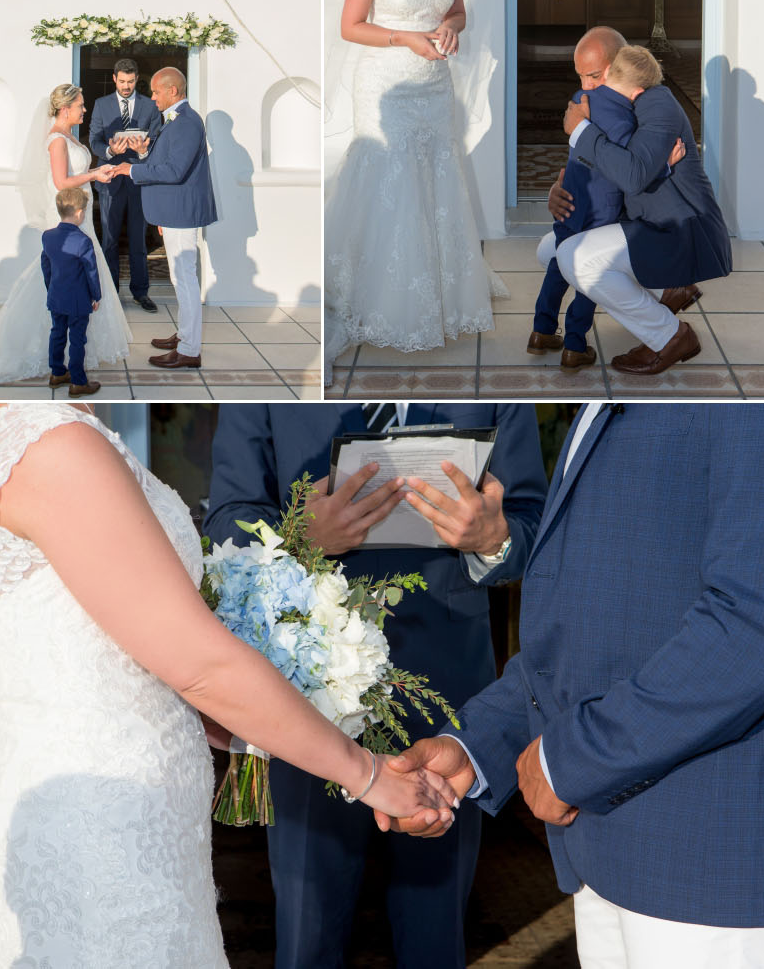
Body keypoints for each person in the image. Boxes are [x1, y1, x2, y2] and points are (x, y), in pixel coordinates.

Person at [0, 401, 459, 968]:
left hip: (112, 823)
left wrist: (231, 716)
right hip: (97, 848)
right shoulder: (54, 444)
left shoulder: (8, 432)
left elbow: (106, 637)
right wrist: (366, 775)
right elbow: (200, 665)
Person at [381, 403, 764, 969]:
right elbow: (598, 625)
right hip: (604, 855)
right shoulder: (611, 380)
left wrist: (572, 759)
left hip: (716, 874)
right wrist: (476, 748)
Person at [205, 401, 548, 969]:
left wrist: (494, 537)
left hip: (449, 693)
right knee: (307, 932)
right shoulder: (276, 378)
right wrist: (297, 535)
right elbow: (226, 519)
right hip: (308, 689)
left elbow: (534, 524)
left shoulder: (487, 368)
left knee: (435, 934)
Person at [324, 0, 505, 364]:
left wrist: (449, 27)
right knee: (393, 183)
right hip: (385, 85)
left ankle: (441, 289)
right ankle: (390, 297)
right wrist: (404, 37)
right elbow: (350, 27)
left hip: (434, 86)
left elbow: (460, 12)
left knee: (436, 178)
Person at [554, 43, 731, 373]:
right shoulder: (621, 102)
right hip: (645, 221)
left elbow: (632, 175)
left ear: (615, 71)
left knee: (572, 258)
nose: (587, 88)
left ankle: (670, 336)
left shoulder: (658, 105)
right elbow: (607, 168)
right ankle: (666, 290)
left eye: (594, 77)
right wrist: (558, 187)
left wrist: (580, 129)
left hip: (679, 233)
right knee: (550, 249)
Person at [0, 83, 129, 387]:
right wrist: (95, 175)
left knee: (71, 271)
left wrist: (104, 169)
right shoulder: (57, 140)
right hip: (67, 214)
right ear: (65, 109)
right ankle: (51, 353)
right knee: (68, 271)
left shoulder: (70, 136)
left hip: (79, 212)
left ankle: (64, 360)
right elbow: (62, 182)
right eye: (81, 106)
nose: (85, 110)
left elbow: (77, 174)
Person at [529, 55, 647, 370]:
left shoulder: (580, 100)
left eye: (590, 74)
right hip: (603, 205)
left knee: (559, 262)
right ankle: (574, 345)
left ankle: (541, 329)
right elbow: (625, 165)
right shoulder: (627, 114)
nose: (585, 84)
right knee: (588, 272)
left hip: (572, 197)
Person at [110, 67, 216, 369]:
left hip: (181, 211)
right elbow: (164, 162)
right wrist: (143, 154)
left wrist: (130, 169)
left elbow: (174, 171)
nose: (152, 97)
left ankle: (189, 350)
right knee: (178, 278)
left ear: (173, 91)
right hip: (173, 210)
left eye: (156, 91)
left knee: (184, 280)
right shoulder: (176, 121)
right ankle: (184, 334)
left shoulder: (186, 123)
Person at [89, 57, 162, 311]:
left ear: (136, 78)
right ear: (114, 79)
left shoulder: (150, 107)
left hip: (138, 180)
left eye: (130, 82)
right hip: (110, 181)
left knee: (138, 240)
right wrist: (109, 150)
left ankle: (141, 293)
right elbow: (94, 140)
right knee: (108, 240)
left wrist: (143, 152)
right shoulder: (100, 104)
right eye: (122, 82)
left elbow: (156, 143)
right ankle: (110, 294)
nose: (126, 86)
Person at [40, 187, 102, 397]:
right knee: (77, 339)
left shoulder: (48, 236)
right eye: (84, 210)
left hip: (56, 296)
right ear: (78, 213)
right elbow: (91, 272)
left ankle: (57, 373)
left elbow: (46, 266)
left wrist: (51, 288)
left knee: (57, 333)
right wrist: (96, 295)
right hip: (78, 301)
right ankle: (77, 381)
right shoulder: (83, 241)